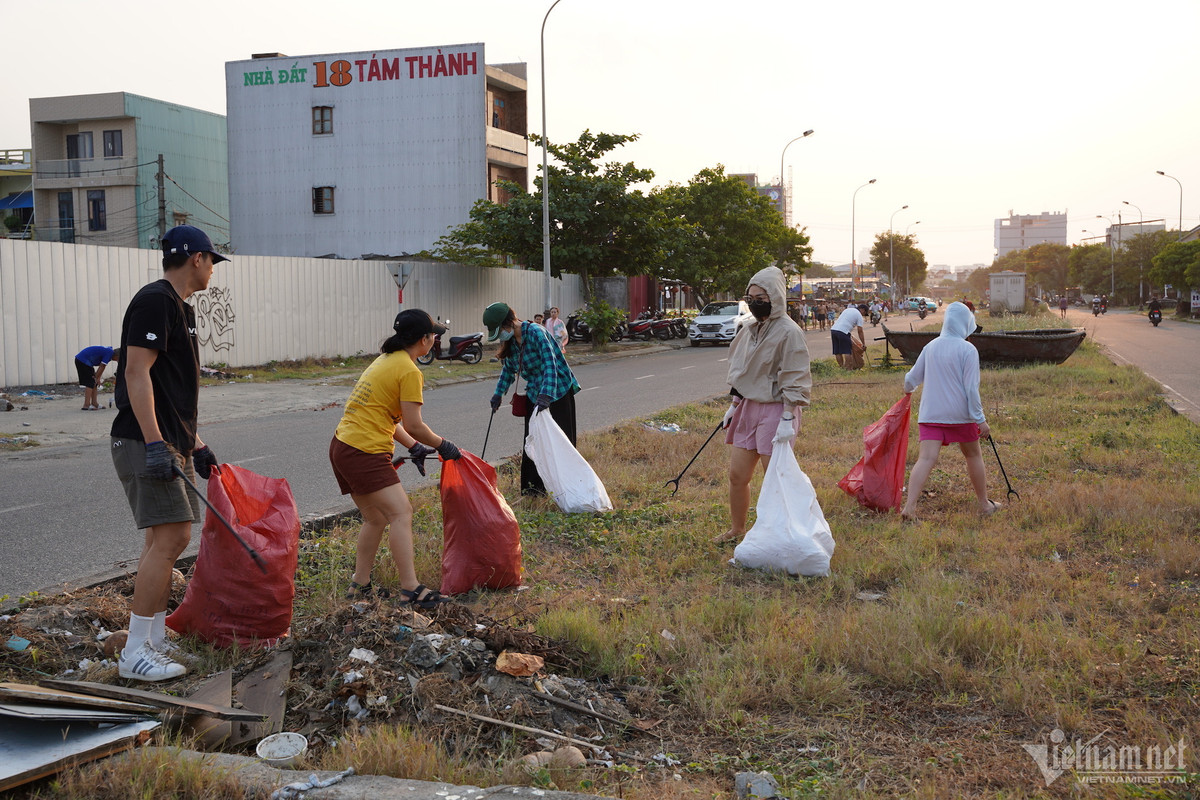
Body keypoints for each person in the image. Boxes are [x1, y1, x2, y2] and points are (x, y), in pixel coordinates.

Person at [109, 224, 228, 682]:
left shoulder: (180, 308)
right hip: (144, 441)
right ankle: (135, 651)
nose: (214, 268)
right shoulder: (156, 300)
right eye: (213, 259)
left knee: (160, 541)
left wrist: (195, 444)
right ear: (196, 258)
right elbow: (136, 373)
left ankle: (154, 641)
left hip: (167, 441)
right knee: (174, 537)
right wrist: (157, 442)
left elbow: (168, 388)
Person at [330, 309, 460, 607]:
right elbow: (414, 424)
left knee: (374, 518)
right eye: (434, 335)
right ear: (424, 340)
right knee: (401, 513)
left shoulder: (387, 360)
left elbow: (386, 416)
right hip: (364, 450)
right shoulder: (409, 370)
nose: (436, 339)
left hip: (343, 445)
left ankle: (359, 586)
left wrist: (414, 447)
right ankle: (410, 589)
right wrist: (443, 445)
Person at [714, 266, 810, 544]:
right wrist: (734, 405)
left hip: (777, 410)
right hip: (748, 407)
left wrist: (788, 418)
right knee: (737, 475)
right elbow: (745, 370)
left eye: (761, 296)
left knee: (774, 482)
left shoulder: (789, 332)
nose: (754, 301)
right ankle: (737, 529)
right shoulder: (749, 329)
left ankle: (778, 535)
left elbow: (795, 375)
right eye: (750, 296)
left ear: (776, 297)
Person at [899, 302, 1000, 523]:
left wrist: (908, 391)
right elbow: (971, 389)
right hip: (959, 415)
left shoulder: (931, 346)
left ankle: (909, 507)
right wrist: (980, 420)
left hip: (930, 414)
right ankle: (984, 504)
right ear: (966, 324)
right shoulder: (968, 350)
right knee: (973, 455)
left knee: (925, 459)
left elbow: (910, 379)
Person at [485, 302, 580, 496]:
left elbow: (550, 365)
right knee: (533, 440)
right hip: (535, 393)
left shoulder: (536, 332)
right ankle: (533, 490)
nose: (502, 334)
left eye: (501, 329)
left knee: (561, 439)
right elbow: (508, 370)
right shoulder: (511, 342)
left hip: (558, 390)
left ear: (509, 322)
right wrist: (498, 394)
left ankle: (569, 487)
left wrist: (547, 395)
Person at [75, 345, 119, 410]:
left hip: (86, 361)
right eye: (119, 359)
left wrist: (97, 378)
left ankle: (94, 403)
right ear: (117, 356)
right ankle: (86, 405)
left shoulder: (109, 352)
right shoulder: (109, 353)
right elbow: (102, 366)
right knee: (90, 382)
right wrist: (96, 377)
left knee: (94, 382)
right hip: (82, 360)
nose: (118, 361)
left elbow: (102, 367)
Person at [831, 303, 868, 369]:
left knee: (838, 351)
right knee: (847, 351)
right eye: (864, 313)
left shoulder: (848, 310)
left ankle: (841, 368)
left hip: (833, 330)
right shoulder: (859, 315)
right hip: (843, 331)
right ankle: (848, 368)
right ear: (863, 310)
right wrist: (863, 344)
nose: (863, 315)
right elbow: (860, 331)